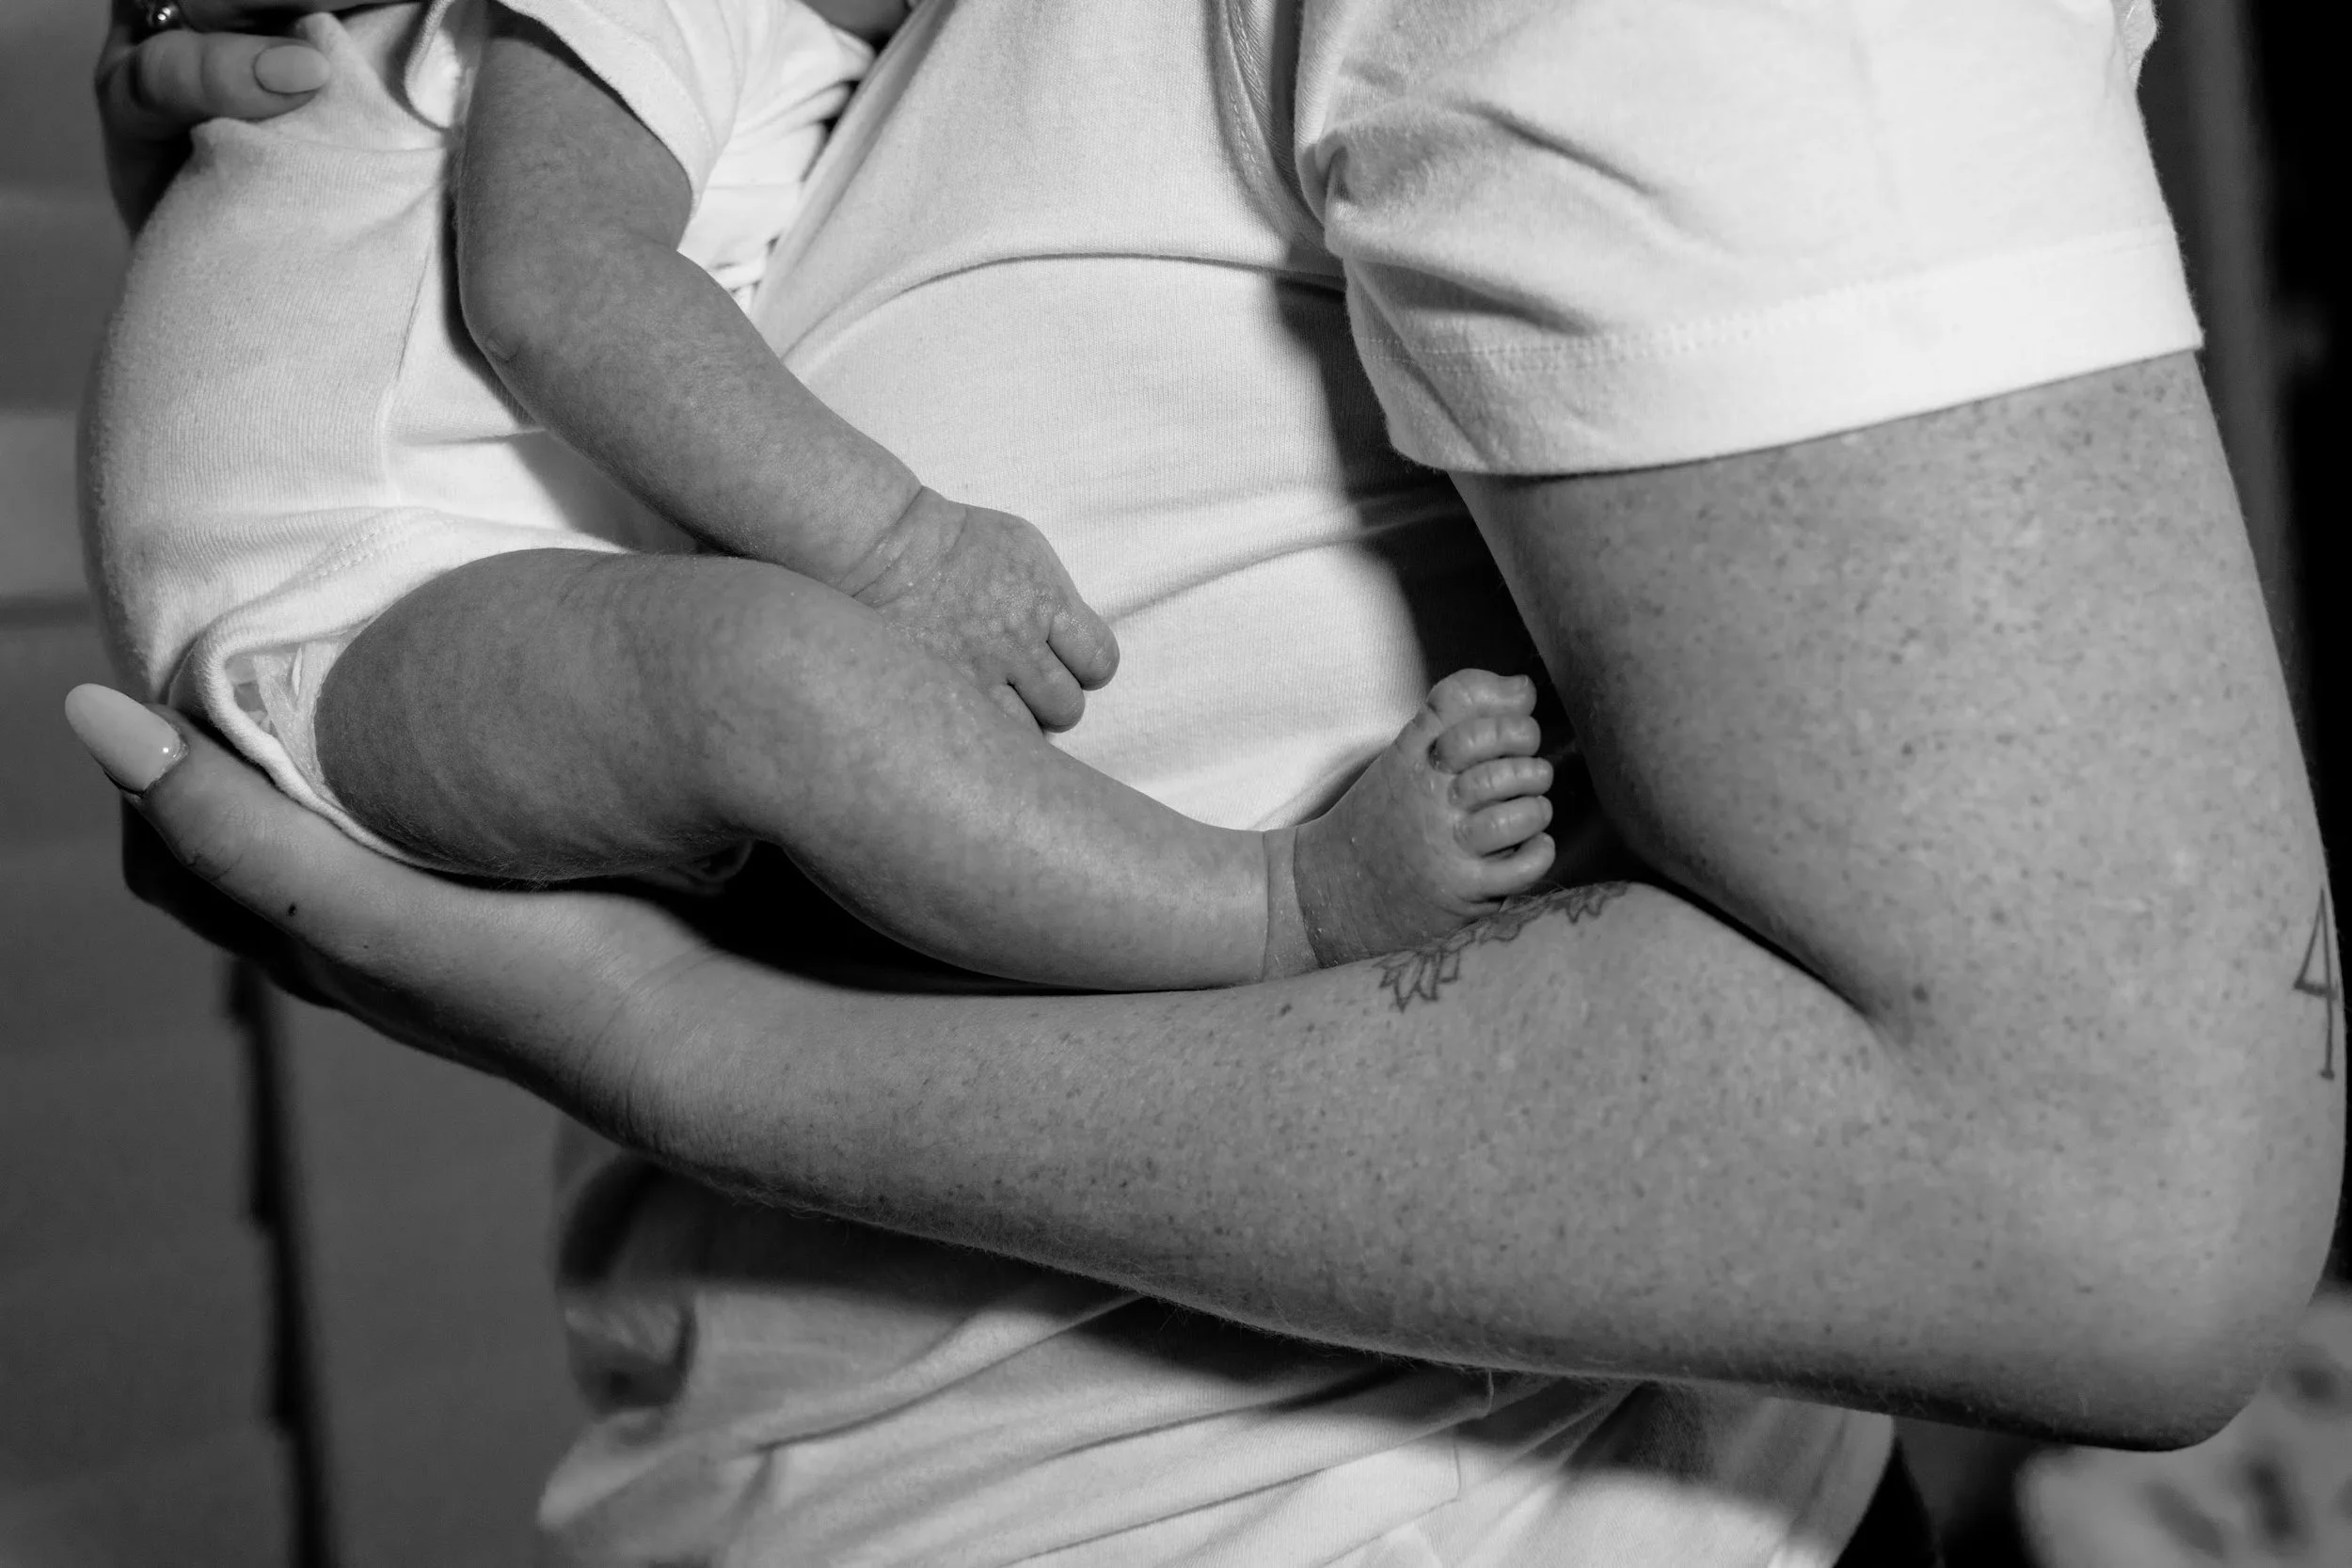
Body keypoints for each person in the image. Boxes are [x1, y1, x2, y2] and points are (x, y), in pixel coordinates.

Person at [79, 0, 2342, 1563]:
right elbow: (557, 315)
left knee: (761, 680)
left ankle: (1257, 898)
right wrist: (303, 209)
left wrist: (687, 1045)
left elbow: (2111, 1215)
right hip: (724, 1458)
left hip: (1302, 1512)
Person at [81, 0, 1559, 991]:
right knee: (770, 678)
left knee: (788, 741)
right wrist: (896, 545)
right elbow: (552, 286)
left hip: (420, 577)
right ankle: (1274, 909)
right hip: (317, 584)